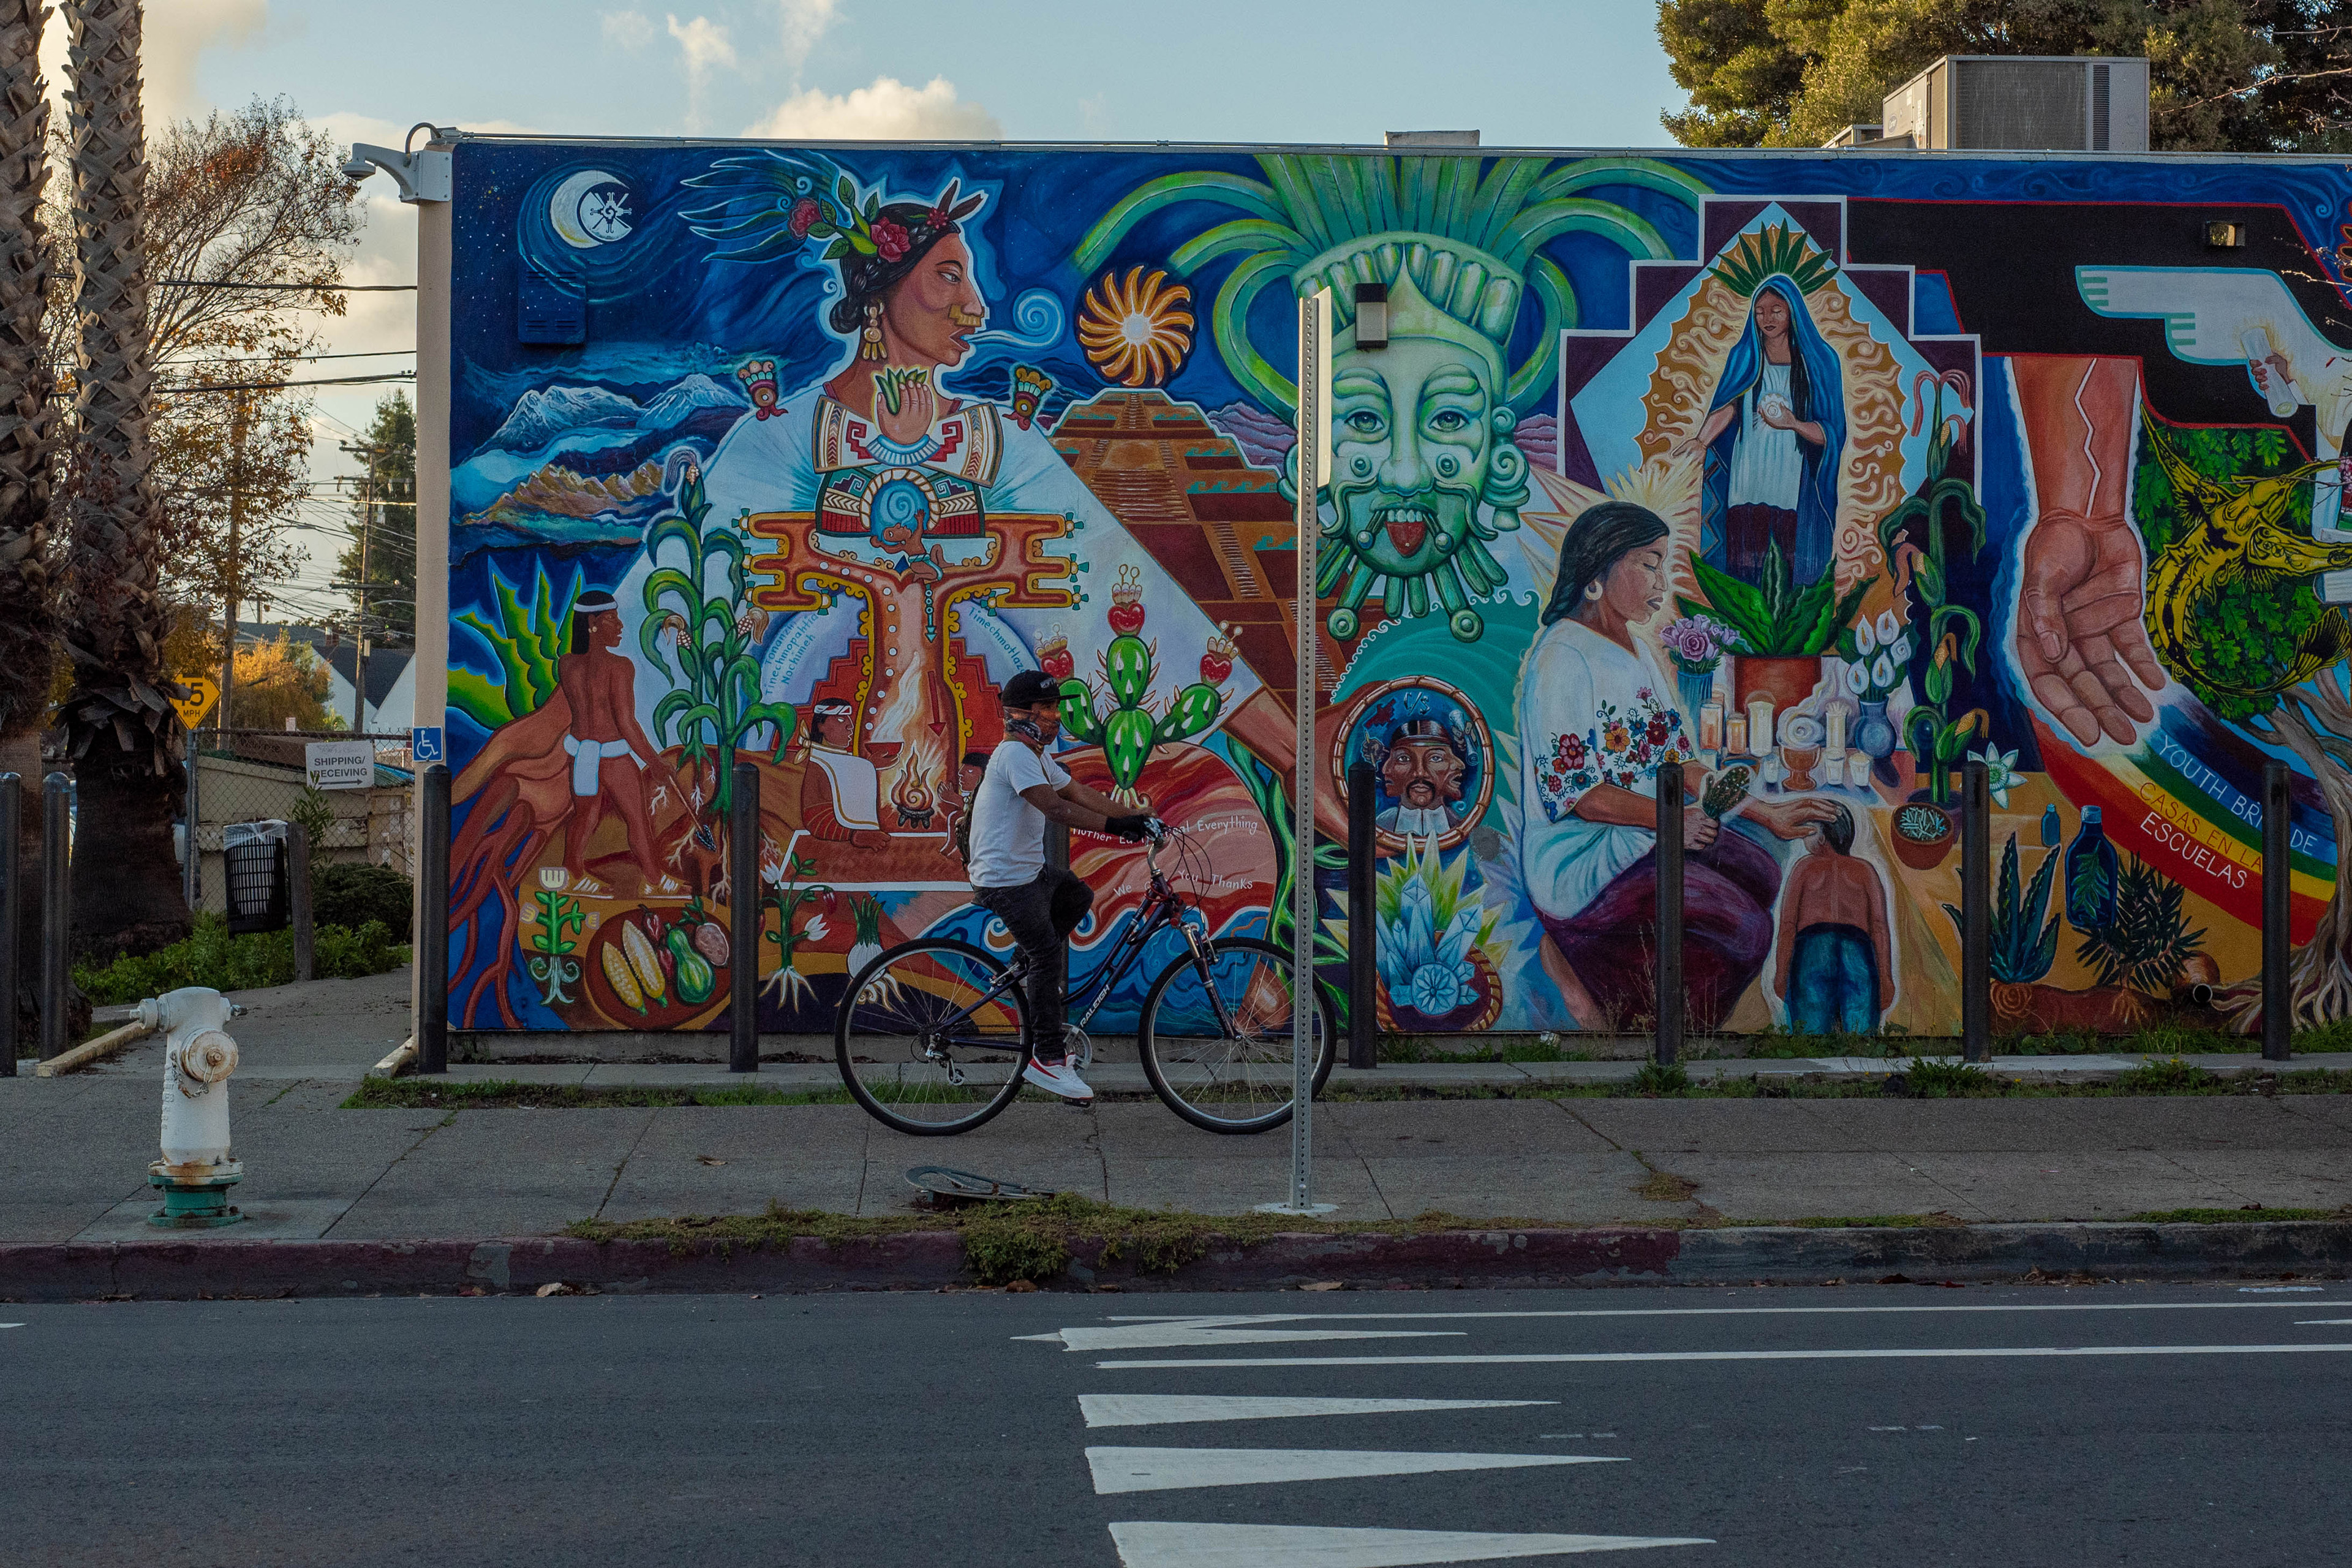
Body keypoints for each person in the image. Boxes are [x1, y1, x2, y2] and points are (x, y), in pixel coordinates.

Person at [1516, 500, 1836, 1031]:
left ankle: (1615, 974)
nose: (1661, 581)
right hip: (1581, 860)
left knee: (1761, 872)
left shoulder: (1637, 650)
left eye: (1662, 563)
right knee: (1745, 931)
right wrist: (1674, 822)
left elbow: (1680, 763)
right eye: (1649, 563)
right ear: (1601, 569)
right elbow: (1582, 796)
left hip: (1646, 831)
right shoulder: (1561, 659)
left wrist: (1766, 813)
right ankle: (1614, 994)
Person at [967, 669, 1152, 1102]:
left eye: (1055, 708)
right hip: (1005, 882)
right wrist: (1116, 828)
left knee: (1077, 895)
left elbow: (1079, 794)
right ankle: (1046, 1059)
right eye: (1046, 709)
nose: (1054, 716)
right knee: (1048, 953)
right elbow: (1055, 808)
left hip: (1030, 874)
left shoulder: (1036, 756)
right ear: (1021, 715)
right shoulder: (1014, 754)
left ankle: (1021, 966)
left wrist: (1134, 818)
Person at [1692, 278, 1845, 586]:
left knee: (1786, 570)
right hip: (1745, 479)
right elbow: (1729, 406)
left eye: (1777, 310)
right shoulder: (1746, 357)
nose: (1768, 319)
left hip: (1791, 483)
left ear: (1793, 312)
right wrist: (1701, 441)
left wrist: (1794, 424)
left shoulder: (1818, 362)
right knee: (1742, 562)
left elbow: (1832, 434)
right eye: (1760, 311)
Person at [1771, 802, 1893, 1035]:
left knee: (1811, 1032)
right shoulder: (1865, 870)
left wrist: (1781, 972)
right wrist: (1885, 977)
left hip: (1811, 951)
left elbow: (1788, 927)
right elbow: (1879, 927)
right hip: (1857, 950)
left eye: (1809, 830)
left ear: (1824, 836)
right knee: (1861, 1031)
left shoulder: (1804, 868)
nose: (1804, 835)